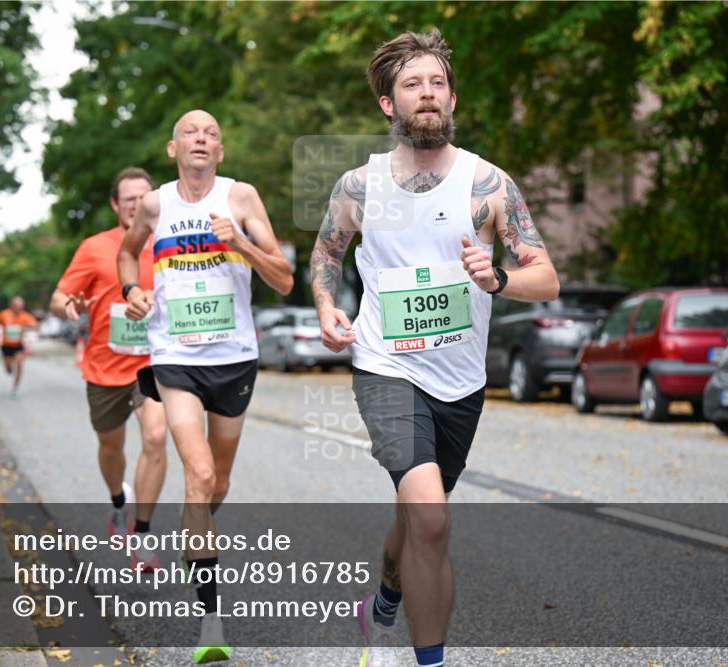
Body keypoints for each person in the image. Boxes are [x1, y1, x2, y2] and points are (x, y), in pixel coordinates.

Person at [310, 30, 559, 667]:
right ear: (389, 105)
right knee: (431, 516)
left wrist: (497, 277)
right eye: (413, 84)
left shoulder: (488, 185)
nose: (428, 94)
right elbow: (326, 255)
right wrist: (326, 306)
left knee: (422, 512)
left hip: (460, 379)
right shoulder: (358, 187)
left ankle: (387, 595)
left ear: (452, 98)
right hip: (385, 366)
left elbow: (546, 278)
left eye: (437, 83)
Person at [119, 109, 293, 664]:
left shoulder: (241, 198)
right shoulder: (155, 204)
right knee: (197, 473)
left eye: (212, 134)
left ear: (221, 152)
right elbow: (128, 251)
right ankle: (211, 622)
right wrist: (132, 289)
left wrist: (240, 243)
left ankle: (197, 515)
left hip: (235, 359)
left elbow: (284, 279)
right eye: (191, 132)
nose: (202, 139)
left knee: (216, 484)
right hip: (175, 357)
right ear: (173, 149)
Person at [51, 167, 169, 572]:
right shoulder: (94, 247)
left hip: (155, 363)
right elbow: (59, 296)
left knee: (156, 436)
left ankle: (142, 533)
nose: (137, 204)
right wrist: (68, 307)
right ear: (116, 205)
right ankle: (118, 504)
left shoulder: (172, 243)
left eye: (144, 196)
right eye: (129, 199)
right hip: (104, 366)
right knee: (110, 447)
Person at [0, 296, 38, 397]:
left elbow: (35, 325)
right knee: (8, 369)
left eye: (21, 306)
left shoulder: (25, 316)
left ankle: (15, 387)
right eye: (16, 306)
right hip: (6, 345)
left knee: (19, 364)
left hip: (19, 345)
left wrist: (31, 329)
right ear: (12, 306)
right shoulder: (4, 314)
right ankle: (9, 366)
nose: (19, 308)